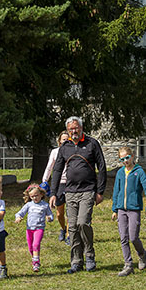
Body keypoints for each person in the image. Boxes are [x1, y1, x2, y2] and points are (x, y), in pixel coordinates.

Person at [49, 116, 107, 273]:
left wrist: (100, 191)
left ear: (81, 128)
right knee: (73, 227)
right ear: (67, 131)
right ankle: (76, 260)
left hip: (88, 190)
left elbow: (101, 167)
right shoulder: (65, 147)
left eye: (76, 128)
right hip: (70, 192)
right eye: (70, 129)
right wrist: (53, 193)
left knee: (83, 223)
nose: (73, 131)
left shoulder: (92, 143)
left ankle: (89, 256)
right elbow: (57, 170)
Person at [111, 146, 146, 276]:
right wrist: (115, 209)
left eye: (127, 157)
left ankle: (141, 254)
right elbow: (116, 191)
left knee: (133, 237)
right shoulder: (120, 173)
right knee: (123, 237)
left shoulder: (138, 172)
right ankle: (128, 264)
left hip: (134, 209)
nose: (125, 161)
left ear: (132, 156)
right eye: (122, 159)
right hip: (121, 209)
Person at [13, 183, 55, 272]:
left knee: (36, 244)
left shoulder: (45, 205)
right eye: (32, 197)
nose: (34, 198)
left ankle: (35, 264)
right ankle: (35, 259)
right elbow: (20, 213)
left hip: (39, 228)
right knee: (30, 247)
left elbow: (51, 215)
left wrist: (49, 218)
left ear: (41, 194)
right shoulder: (29, 205)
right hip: (29, 229)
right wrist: (18, 217)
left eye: (36, 196)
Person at [42, 131, 71, 244]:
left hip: (71, 183)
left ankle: (69, 235)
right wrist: (44, 181)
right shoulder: (55, 152)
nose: (66, 141)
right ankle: (63, 229)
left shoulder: (73, 150)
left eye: (67, 139)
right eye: (64, 139)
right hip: (59, 184)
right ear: (59, 141)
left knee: (70, 211)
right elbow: (50, 167)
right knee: (60, 213)